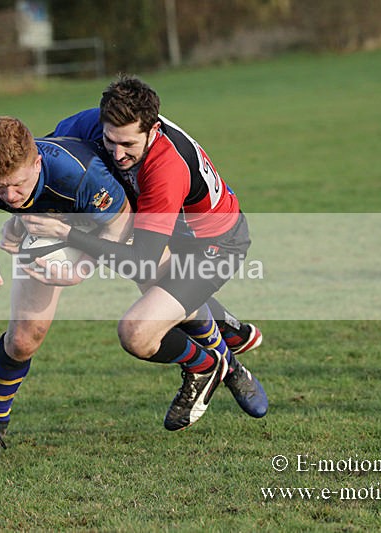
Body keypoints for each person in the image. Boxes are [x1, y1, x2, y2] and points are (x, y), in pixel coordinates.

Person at [22, 74, 268, 431]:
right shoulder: (88, 125)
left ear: (152, 130)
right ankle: (225, 331)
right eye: (110, 140)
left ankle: (211, 366)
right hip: (170, 235)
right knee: (160, 292)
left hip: (216, 246)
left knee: (137, 333)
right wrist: (23, 213)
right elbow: (46, 164)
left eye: (128, 144)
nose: (117, 153)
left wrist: (67, 233)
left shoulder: (165, 171)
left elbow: (141, 261)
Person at [0, 116, 131, 461]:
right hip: (46, 229)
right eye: (0, 186)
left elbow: (121, 229)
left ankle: (222, 350)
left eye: (18, 184)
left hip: (119, 212)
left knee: (163, 285)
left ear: (37, 162)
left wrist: (81, 265)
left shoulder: (81, 172)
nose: (9, 195)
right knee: (23, 339)